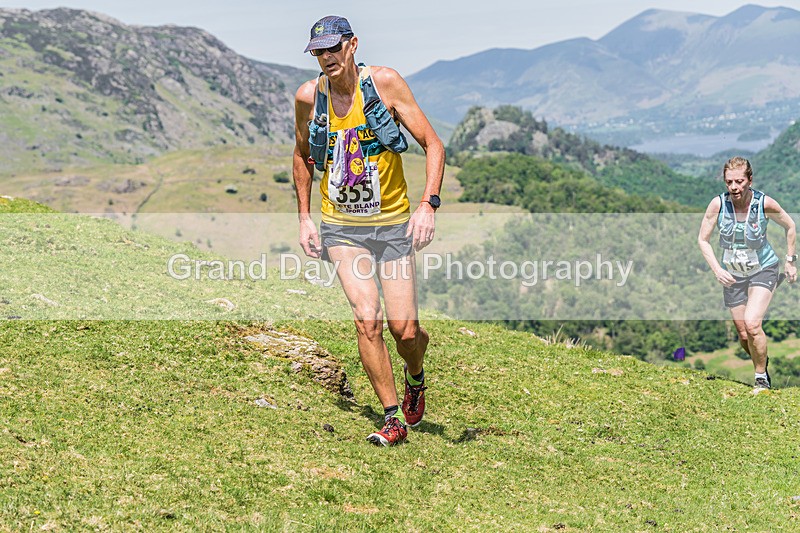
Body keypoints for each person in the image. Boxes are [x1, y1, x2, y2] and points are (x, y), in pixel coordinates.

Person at [292, 16, 445, 445]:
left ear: (353, 45)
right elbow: (303, 155)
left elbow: (433, 144)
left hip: (393, 223)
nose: (327, 59)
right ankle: (392, 417)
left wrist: (427, 205)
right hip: (341, 227)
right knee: (366, 319)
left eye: (333, 49)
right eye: (319, 52)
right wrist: (305, 217)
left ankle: (415, 375)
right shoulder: (309, 97)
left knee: (406, 332)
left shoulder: (385, 84)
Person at [698, 156, 797, 389]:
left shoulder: (765, 204)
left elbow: (790, 226)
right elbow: (703, 240)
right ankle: (760, 357)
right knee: (744, 335)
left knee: (753, 325)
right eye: (729, 182)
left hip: (764, 269)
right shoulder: (718, 205)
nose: (734, 187)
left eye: (739, 181)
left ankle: (761, 378)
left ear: (749, 180)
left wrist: (790, 261)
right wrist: (717, 269)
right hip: (733, 276)